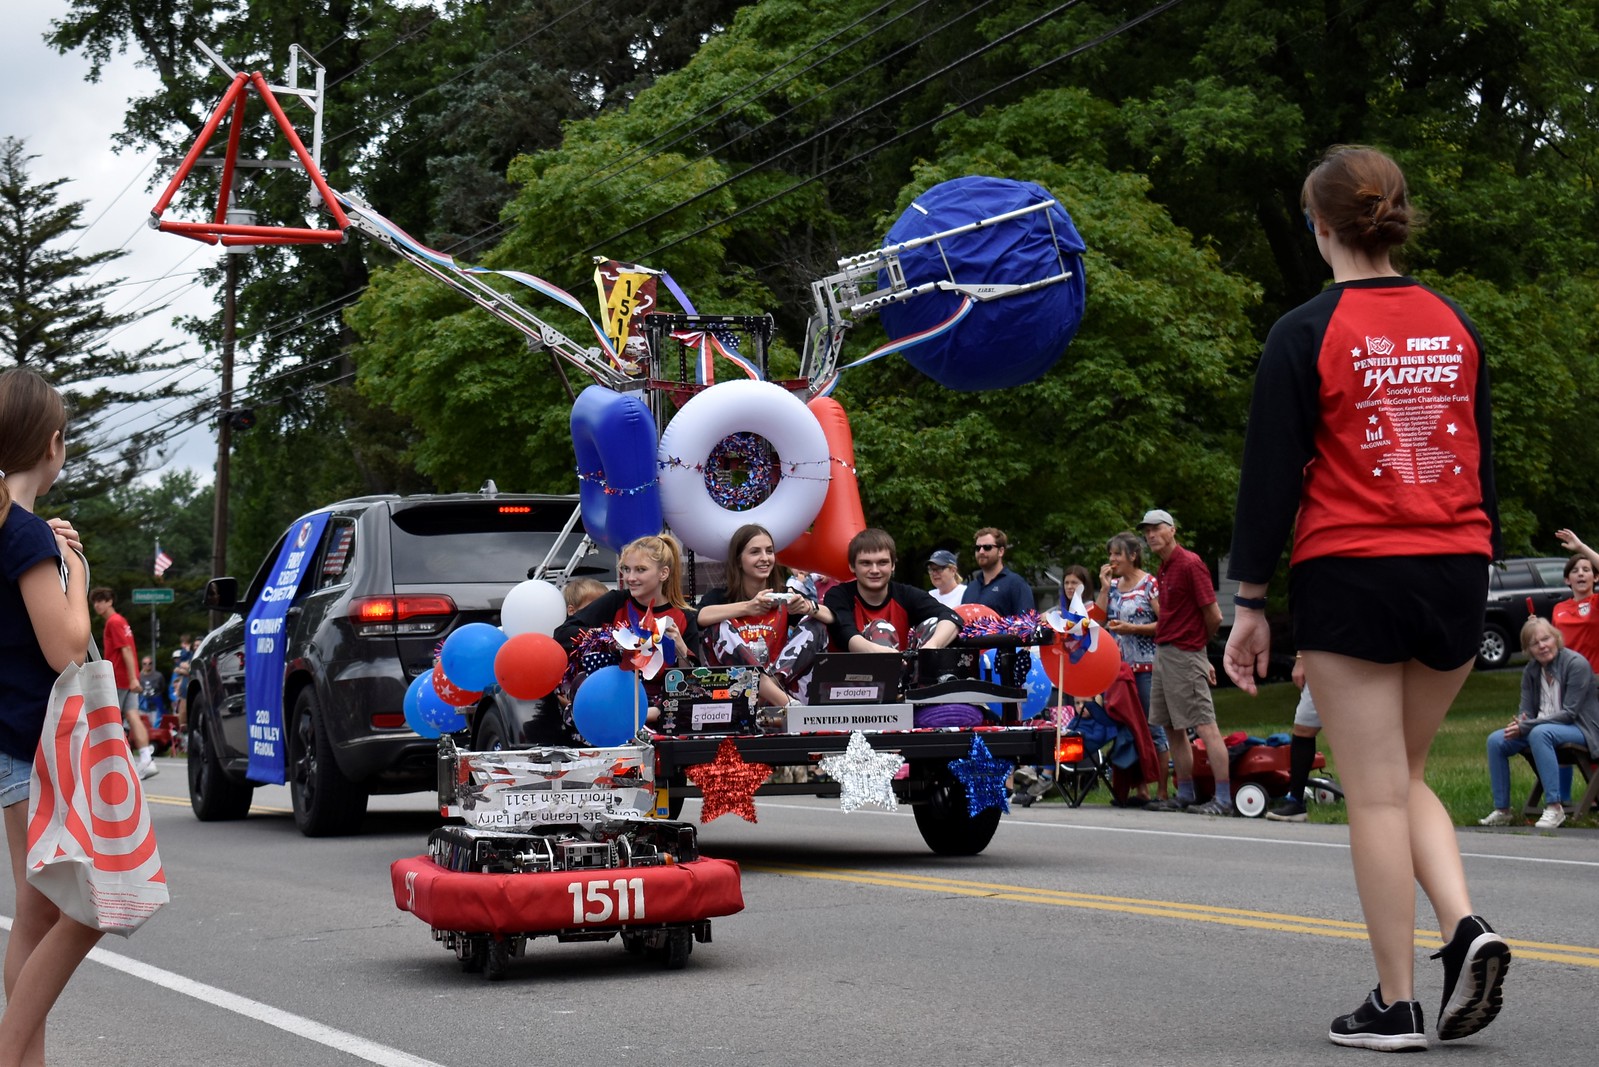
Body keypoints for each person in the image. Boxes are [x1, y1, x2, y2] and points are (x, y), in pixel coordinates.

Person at [1223, 146, 1508, 1051]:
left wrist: (1251, 600)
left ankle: (1395, 1003)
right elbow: (1482, 460)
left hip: (1355, 566)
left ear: (1319, 227)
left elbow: (1268, 479)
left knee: (1376, 795)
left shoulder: (1304, 330)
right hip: (1458, 565)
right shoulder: (1453, 320)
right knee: (1404, 774)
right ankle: (1465, 926)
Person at [0, 366, 105, 1067]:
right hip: (41, 745)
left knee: (37, 911)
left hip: (12, 743)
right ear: (54, 444)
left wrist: (56, 555)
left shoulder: (18, 529)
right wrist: (81, 574)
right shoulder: (26, 532)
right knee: (90, 905)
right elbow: (67, 646)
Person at [1138, 509, 1228, 816]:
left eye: (1156, 529)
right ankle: (1186, 792)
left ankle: (1225, 799)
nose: (1150, 535)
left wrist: (1196, 648)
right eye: (1146, 531)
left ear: (1172, 530)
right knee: (1172, 727)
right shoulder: (1163, 569)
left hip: (1184, 652)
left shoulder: (1190, 563)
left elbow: (1214, 616)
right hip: (1163, 652)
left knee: (1204, 724)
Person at [554, 533, 698, 722]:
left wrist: (681, 649)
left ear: (663, 573)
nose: (630, 577)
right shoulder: (616, 601)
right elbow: (563, 635)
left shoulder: (683, 617)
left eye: (640, 570)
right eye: (626, 569)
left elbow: (694, 685)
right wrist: (609, 638)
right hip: (611, 701)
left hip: (662, 710)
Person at [1478, 617, 1599, 830]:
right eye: (1535, 643)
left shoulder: (1575, 664)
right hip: (1542, 728)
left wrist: (1527, 725)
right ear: (1528, 649)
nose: (1542, 646)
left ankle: (1554, 807)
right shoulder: (1531, 671)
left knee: (1540, 733)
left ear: (1556, 638)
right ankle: (1502, 810)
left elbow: (1569, 714)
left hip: (1582, 729)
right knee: (1496, 740)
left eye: (1546, 639)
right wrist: (1521, 721)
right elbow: (1526, 710)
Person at [697, 523, 834, 708]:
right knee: (717, 626)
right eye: (755, 552)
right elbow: (700, 617)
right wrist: (747, 607)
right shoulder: (721, 596)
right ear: (738, 560)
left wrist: (807, 606)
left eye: (769, 551)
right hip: (738, 693)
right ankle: (781, 700)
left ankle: (770, 688)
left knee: (816, 623)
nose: (765, 558)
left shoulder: (785, 594)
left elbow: (832, 617)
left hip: (778, 681)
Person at [1096, 531, 1166, 804]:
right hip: (1120, 669)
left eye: (1117, 554)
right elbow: (1099, 620)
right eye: (1110, 554)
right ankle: (1140, 789)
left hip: (1147, 667)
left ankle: (1161, 789)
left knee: (1153, 727)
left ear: (1133, 556)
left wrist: (1133, 628)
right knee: (1129, 728)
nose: (1112, 559)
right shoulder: (1112, 586)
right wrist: (1103, 588)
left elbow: (1165, 623)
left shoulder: (1150, 584)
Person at [824, 529, 960, 653]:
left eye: (882, 562)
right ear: (852, 566)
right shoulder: (838, 595)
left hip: (901, 672)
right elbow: (847, 635)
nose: (875, 570)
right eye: (866, 563)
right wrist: (889, 656)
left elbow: (951, 617)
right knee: (880, 628)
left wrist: (931, 647)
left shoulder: (906, 594)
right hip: (851, 675)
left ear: (893, 565)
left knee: (934, 624)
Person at [89, 587, 157, 779]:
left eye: (101, 600)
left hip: (118, 678)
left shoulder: (113, 622)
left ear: (110, 601)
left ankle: (110, 762)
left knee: (106, 719)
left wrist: (133, 677)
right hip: (126, 677)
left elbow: (126, 650)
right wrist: (133, 676)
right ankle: (146, 759)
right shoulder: (121, 621)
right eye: (95, 601)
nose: (97, 605)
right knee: (132, 715)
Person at [1265, 656, 1325, 822]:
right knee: (1303, 727)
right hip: (1323, 658)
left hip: (1359, 657)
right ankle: (1295, 802)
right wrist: (1301, 659)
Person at [1552, 529, 1599, 671]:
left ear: (1596, 577)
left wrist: (1580, 547)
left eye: (1586, 570)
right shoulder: (1559, 608)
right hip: (1568, 679)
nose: (1580, 574)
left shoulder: (1596, 602)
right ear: (1567, 580)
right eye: (1575, 571)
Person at [960, 527, 1034, 616]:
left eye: (987, 547)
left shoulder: (1016, 584)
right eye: (977, 548)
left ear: (1001, 551)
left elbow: (1027, 624)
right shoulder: (971, 587)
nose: (981, 551)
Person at [138, 654, 168, 729]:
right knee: (142, 727)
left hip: (155, 706)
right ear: (142, 665)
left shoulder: (158, 676)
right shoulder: (138, 677)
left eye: (149, 663)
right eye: (145, 663)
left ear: (152, 664)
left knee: (156, 727)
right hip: (142, 706)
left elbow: (163, 689)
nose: (147, 665)